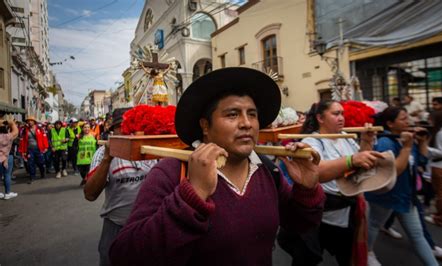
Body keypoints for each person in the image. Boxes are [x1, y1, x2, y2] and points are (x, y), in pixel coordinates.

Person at [109, 67, 325, 266]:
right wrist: (192, 197)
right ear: (205, 126)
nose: (246, 123)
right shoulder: (173, 172)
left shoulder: (267, 170)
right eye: (232, 114)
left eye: (252, 114)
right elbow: (125, 256)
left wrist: (306, 190)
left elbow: (300, 225)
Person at [282, 101, 380, 266]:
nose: (341, 118)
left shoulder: (346, 138)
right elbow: (317, 172)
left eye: (342, 113)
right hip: (321, 217)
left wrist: (366, 141)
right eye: (335, 114)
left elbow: (361, 163)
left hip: (347, 213)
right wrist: (351, 160)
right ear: (320, 117)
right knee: (307, 259)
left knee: (348, 259)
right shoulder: (312, 141)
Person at [83, 107, 157, 266]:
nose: (130, 132)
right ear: (113, 131)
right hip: (116, 227)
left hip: (150, 226)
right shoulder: (103, 152)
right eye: (124, 127)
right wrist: (107, 159)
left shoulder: (152, 150)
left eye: (134, 127)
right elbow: (90, 194)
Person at [365, 107, 438, 266]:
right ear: (390, 124)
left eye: (407, 118)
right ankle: (367, 252)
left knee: (417, 235)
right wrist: (406, 147)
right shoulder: (385, 142)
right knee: (374, 225)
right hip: (386, 196)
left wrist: (423, 142)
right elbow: (393, 171)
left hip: (405, 196)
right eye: (403, 119)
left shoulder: (405, 138)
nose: (408, 122)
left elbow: (421, 163)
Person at [18, 116, 49, 184]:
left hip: (38, 149)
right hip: (29, 149)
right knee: (30, 163)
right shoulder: (25, 130)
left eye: (31, 120)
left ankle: (42, 172)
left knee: (40, 162)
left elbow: (44, 138)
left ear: (34, 121)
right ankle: (32, 177)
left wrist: (46, 147)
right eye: (28, 121)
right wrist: (22, 151)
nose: (29, 122)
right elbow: (23, 141)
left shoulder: (40, 129)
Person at [0, 114, 19, 200]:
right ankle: (7, 193)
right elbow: (16, 132)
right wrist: (11, 123)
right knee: (7, 175)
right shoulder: (7, 136)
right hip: (6, 157)